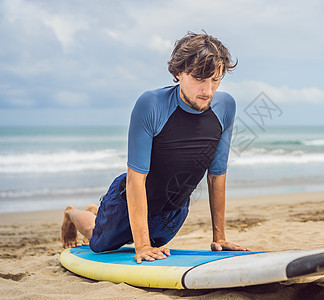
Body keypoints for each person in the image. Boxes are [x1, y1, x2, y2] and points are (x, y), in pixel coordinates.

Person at [60, 32, 250, 264]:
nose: (208, 91)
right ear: (178, 72)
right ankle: (73, 213)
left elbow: (217, 174)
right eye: (199, 79)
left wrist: (219, 238)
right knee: (98, 243)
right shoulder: (151, 104)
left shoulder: (225, 107)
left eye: (215, 80)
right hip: (127, 201)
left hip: (172, 214)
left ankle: (99, 212)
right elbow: (135, 179)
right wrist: (142, 246)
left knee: (156, 243)